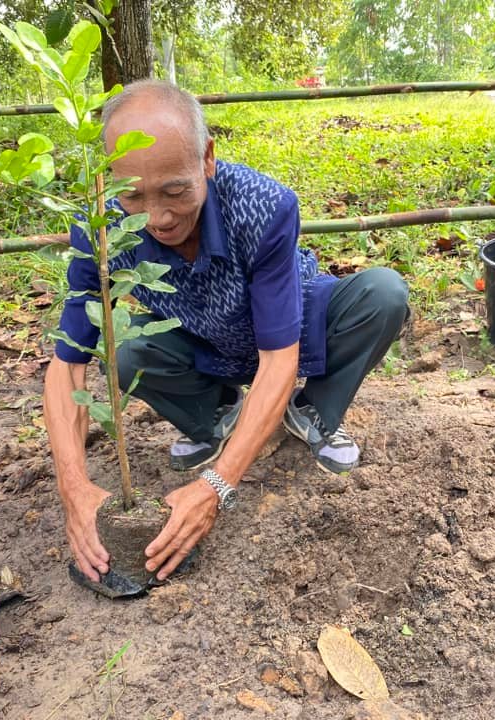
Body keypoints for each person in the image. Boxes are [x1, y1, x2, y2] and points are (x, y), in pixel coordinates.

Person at [42, 80, 409, 586]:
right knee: (122, 350)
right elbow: (68, 364)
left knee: (383, 294)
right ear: (107, 179)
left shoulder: (264, 206)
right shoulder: (99, 226)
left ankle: (310, 411)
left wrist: (216, 485)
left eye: (176, 191)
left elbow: (279, 356)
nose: (157, 217)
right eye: (132, 195)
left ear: (207, 159)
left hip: (287, 327)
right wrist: (74, 488)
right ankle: (219, 414)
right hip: (202, 339)